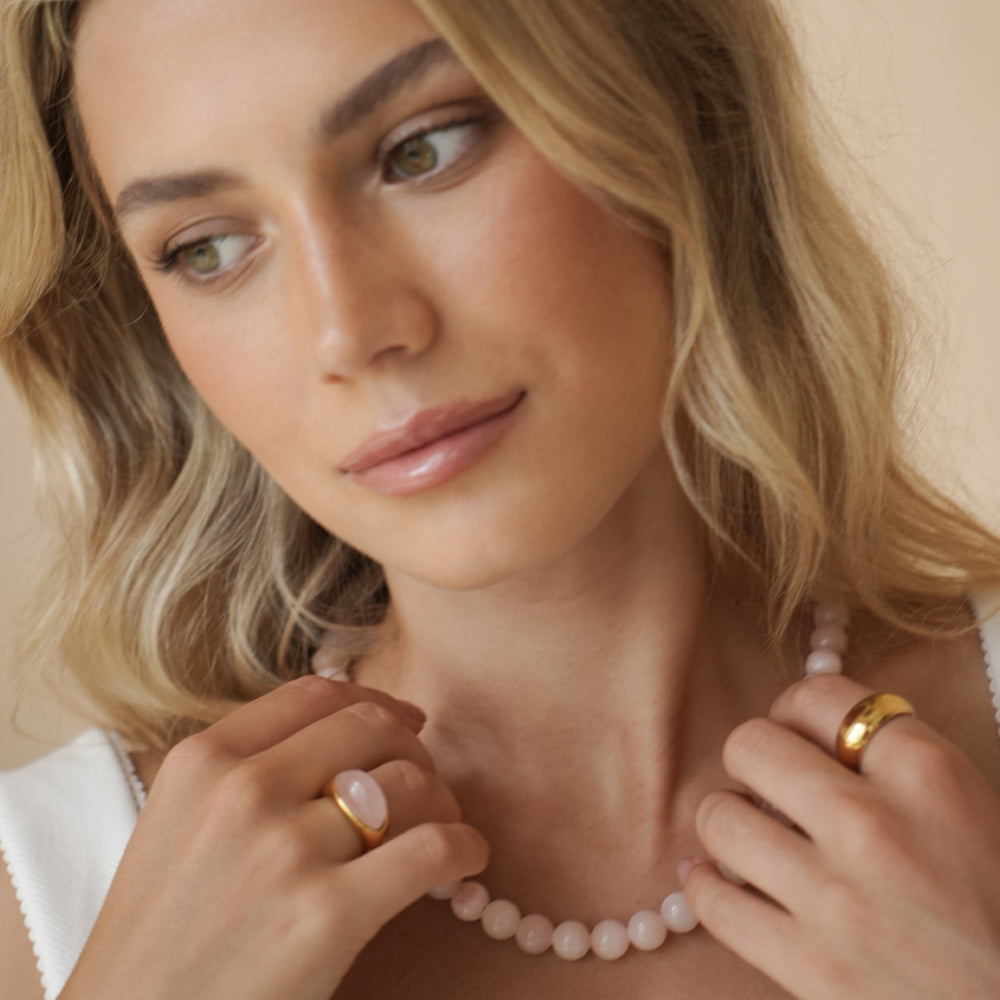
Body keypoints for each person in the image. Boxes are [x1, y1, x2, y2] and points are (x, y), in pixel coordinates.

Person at [0, 0, 999, 996]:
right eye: (207, 249)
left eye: (423, 150)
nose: (349, 331)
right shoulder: (48, 897)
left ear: (673, 106)